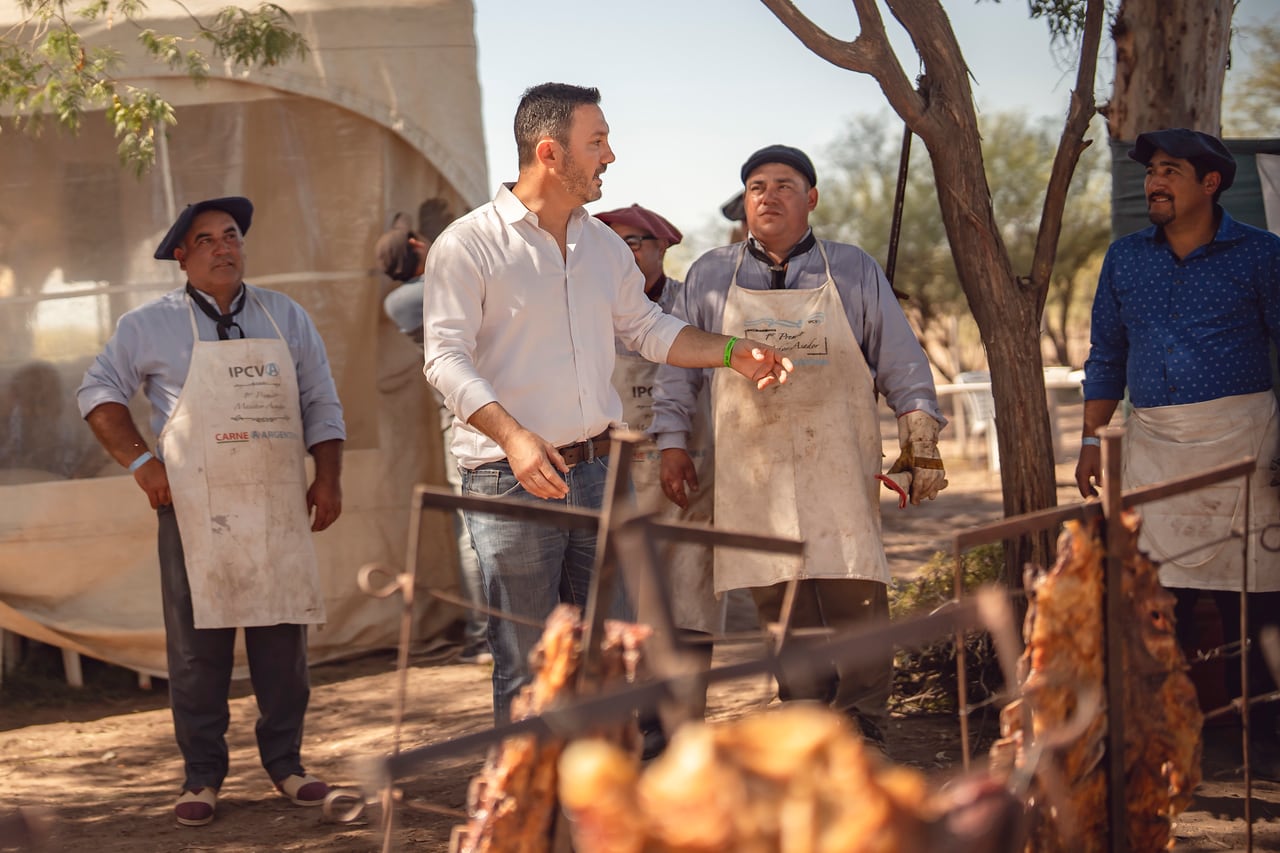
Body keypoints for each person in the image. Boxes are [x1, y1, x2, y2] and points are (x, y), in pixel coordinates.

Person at [422, 83, 795, 724]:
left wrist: (733, 352)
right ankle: (537, 821)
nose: (610, 156)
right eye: (596, 142)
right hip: (510, 483)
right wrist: (513, 435)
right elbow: (443, 359)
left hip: (599, 476)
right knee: (531, 668)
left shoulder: (598, 245)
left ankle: (600, 811)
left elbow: (648, 328)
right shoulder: (468, 245)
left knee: (611, 660)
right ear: (549, 152)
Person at [650, 144, 947, 751]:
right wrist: (672, 442)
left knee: (855, 596)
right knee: (781, 610)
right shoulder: (710, 275)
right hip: (750, 474)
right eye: (757, 186)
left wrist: (920, 435)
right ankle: (809, 729)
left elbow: (900, 359)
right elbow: (678, 367)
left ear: (810, 199)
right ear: (745, 204)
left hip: (836, 467)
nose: (769, 196)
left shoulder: (853, 269)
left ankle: (864, 726)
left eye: (785, 185)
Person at [77, 196, 346, 826]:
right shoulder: (148, 324)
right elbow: (98, 391)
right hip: (192, 508)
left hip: (277, 502)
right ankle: (202, 777)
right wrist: (143, 465)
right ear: (181, 256)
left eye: (232, 236)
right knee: (198, 650)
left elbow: (322, 403)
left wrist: (327, 478)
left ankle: (288, 765)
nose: (224, 247)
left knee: (283, 640)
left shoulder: (287, 316)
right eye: (207, 240)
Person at [1074, 128, 1280, 775]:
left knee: (1259, 598)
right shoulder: (1126, 258)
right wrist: (1089, 438)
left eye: (1170, 171)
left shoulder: (1262, 255)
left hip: (1246, 440)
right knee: (1157, 597)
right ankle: (1164, 745)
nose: (1153, 183)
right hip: (1154, 446)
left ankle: (1265, 744)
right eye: (1150, 172)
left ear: (1211, 182)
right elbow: (1106, 354)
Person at [595, 203, 718, 755]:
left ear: (663, 248)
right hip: (614, 479)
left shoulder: (690, 305)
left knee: (689, 599)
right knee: (627, 606)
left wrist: (675, 448)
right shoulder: (587, 311)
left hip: (686, 472)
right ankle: (634, 735)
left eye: (636, 243)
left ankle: (682, 731)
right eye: (613, 243)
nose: (626, 253)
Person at [377, 208, 492, 665]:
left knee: (476, 529)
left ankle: (487, 635)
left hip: (463, 418)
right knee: (478, 532)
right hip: (474, 416)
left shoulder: (400, 301)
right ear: (419, 249)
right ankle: (487, 635)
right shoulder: (419, 295)